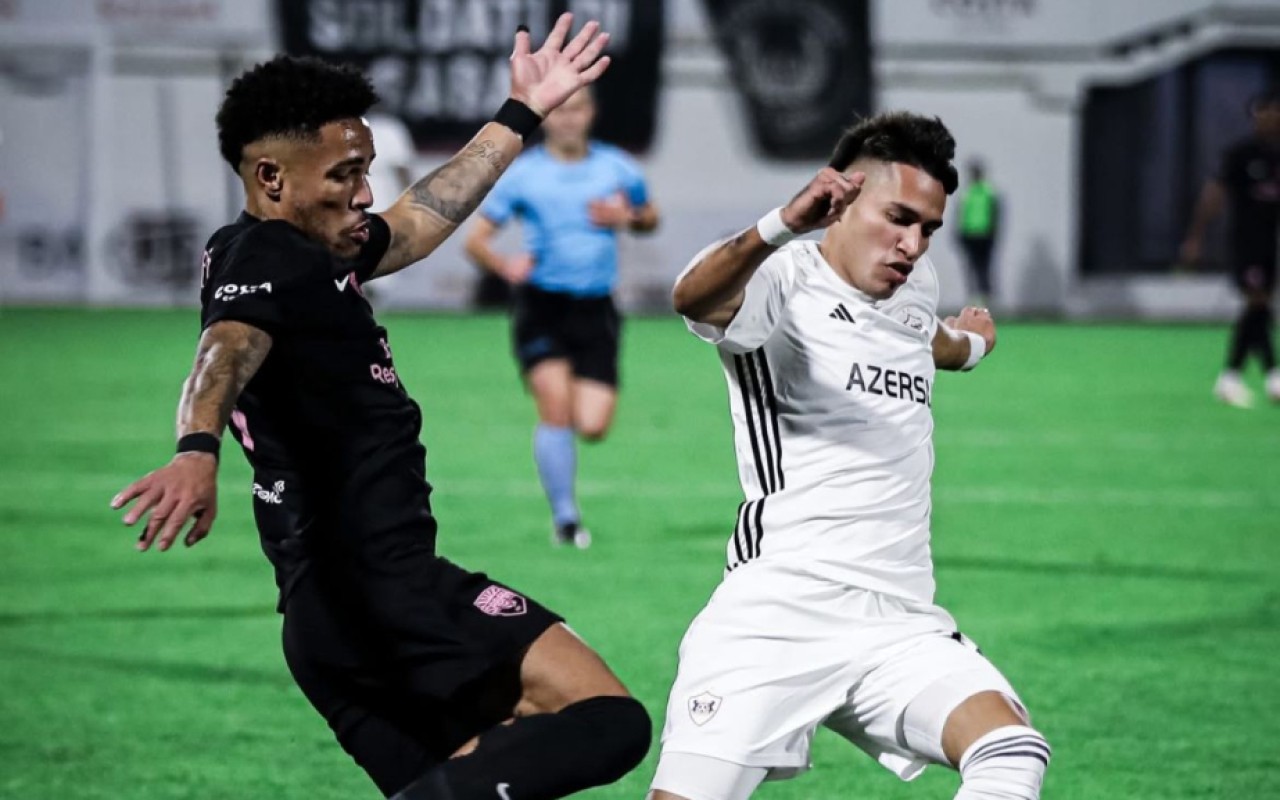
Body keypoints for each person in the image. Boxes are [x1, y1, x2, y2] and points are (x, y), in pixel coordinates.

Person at [108, 17, 653, 800]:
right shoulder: (266, 257)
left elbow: (415, 224)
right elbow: (225, 348)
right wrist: (197, 448)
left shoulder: (309, 248)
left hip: (336, 617)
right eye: (345, 175)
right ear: (271, 178)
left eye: (364, 170)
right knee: (607, 720)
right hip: (382, 599)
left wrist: (519, 114)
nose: (365, 193)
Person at [648, 112, 1050, 800]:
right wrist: (781, 224)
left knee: (1011, 751)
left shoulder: (914, 288)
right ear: (841, 198)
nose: (912, 245)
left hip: (898, 621)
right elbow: (694, 297)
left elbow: (922, 341)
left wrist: (972, 347)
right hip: (778, 611)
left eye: (928, 229)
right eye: (898, 218)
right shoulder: (781, 281)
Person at [463, 85, 659, 548]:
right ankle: (566, 521)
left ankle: (564, 474)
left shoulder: (617, 167)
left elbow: (650, 217)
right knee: (554, 408)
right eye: (561, 111)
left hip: (597, 308)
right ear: (547, 117)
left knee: (592, 425)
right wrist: (506, 266)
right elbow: (476, 241)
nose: (569, 119)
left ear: (592, 113)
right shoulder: (524, 175)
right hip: (541, 306)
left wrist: (628, 217)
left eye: (578, 109)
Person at [1181, 88, 1280, 408]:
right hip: (1245, 242)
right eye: (1263, 112)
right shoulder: (1241, 154)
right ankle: (1255, 377)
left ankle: (1242, 378)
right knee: (1257, 303)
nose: (1270, 118)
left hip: (1270, 243)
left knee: (1259, 309)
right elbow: (1214, 194)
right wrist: (1196, 236)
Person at [956, 159, 1000, 306]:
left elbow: (995, 213)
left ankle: (985, 297)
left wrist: (993, 232)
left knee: (984, 267)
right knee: (971, 267)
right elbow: (961, 214)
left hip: (985, 235)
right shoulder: (967, 192)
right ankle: (973, 297)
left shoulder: (988, 191)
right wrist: (960, 233)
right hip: (970, 235)